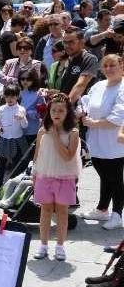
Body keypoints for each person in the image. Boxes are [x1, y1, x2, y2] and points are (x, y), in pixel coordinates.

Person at [33, 93, 80, 261]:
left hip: (65, 178)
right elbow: (37, 155)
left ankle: (60, 246)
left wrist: (55, 137)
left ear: (68, 112)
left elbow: (68, 156)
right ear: (49, 111)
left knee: (62, 212)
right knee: (45, 211)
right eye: (53, 110)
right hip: (44, 176)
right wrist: (34, 174)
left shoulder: (72, 132)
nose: (57, 113)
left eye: (61, 110)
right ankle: (43, 244)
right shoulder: (41, 131)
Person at [79, 54, 124, 230]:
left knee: (115, 179)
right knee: (104, 176)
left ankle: (117, 214)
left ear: (121, 66)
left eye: (112, 65)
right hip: (95, 140)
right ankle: (102, 209)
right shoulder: (98, 85)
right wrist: (81, 112)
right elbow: (85, 102)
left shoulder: (122, 87)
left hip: (115, 143)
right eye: (105, 66)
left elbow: (118, 116)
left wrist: (94, 123)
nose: (108, 69)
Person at [0, 84, 29, 192]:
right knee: (2, 162)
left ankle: (14, 184)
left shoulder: (21, 109)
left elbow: (25, 125)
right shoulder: (1, 109)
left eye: (12, 96)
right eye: (7, 96)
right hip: (4, 138)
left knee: (17, 162)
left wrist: (22, 119)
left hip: (17, 139)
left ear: (17, 97)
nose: (10, 99)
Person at [59, 28, 99, 104]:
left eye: (71, 42)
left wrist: (66, 106)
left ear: (82, 42)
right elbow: (65, 89)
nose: (67, 45)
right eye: (64, 42)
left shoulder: (89, 59)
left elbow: (81, 85)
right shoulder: (66, 61)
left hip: (79, 108)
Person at [18, 67, 46, 145]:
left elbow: (42, 113)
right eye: (22, 79)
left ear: (34, 79)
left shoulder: (38, 94)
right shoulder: (16, 92)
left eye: (29, 79)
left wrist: (27, 113)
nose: (25, 81)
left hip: (32, 130)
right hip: (17, 130)